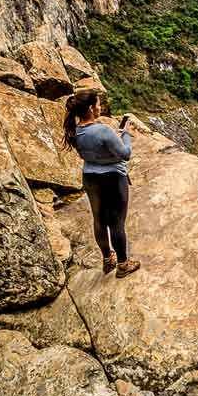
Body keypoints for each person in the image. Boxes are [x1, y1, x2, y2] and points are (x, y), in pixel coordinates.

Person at [62, 92, 140, 278]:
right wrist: (126, 134)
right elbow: (125, 153)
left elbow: (91, 150)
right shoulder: (102, 130)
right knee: (116, 222)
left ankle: (107, 259)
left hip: (90, 178)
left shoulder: (75, 130)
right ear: (90, 108)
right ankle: (123, 265)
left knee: (99, 220)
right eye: (97, 104)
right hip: (112, 178)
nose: (100, 107)